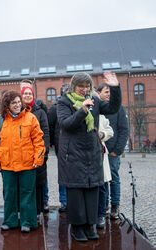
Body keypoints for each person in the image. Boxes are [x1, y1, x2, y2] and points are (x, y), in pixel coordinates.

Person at [57, 72, 121, 242]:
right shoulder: (64, 102)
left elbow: (113, 108)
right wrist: (83, 111)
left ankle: (89, 226)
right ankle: (77, 228)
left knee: (92, 190)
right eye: (81, 86)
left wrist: (115, 88)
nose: (85, 90)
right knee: (77, 192)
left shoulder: (95, 100)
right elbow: (65, 124)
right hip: (73, 154)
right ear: (74, 87)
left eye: (88, 86)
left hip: (92, 153)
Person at [0, 90, 45, 233]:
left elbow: (39, 140)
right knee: (9, 194)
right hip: (7, 165)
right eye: (14, 102)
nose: (17, 105)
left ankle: (28, 222)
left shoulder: (31, 118)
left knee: (28, 194)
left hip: (27, 164)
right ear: (7, 104)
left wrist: (38, 159)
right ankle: (10, 221)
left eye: (19, 102)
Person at [97, 82, 129, 220]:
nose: (109, 94)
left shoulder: (119, 109)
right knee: (103, 179)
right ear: (99, 93)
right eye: (106, 91)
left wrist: (117, 150)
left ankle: (115, 205)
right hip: (99, 151)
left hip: (113, 152)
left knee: (114, 179)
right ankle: (104, 206)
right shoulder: (97, 107)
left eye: (110, 92)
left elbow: (124, 130)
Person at [21, 86, 50, 217]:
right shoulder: (18, 111)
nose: (27, 95)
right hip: (22, 154)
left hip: (38, 153)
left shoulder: (40, 112)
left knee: (38, 184)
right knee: (24, 185)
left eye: (30, 94)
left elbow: (45, 133)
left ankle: (37, 212)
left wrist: (44, 152)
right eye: (25, 94)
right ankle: (24, 211)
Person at [47, 84, 69, 212]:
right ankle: (64, 201)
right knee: (63, 174)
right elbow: (50, 127)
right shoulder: (55, 108)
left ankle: (73, 200)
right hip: (60, 146)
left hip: (75, 146)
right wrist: (51, 143)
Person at [96, 113, 114, 229]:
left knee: (102, 186)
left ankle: (101, 215)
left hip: (100, 154)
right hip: (85, 155)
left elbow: (110, 131)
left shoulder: (101, 117)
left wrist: (102, 134)